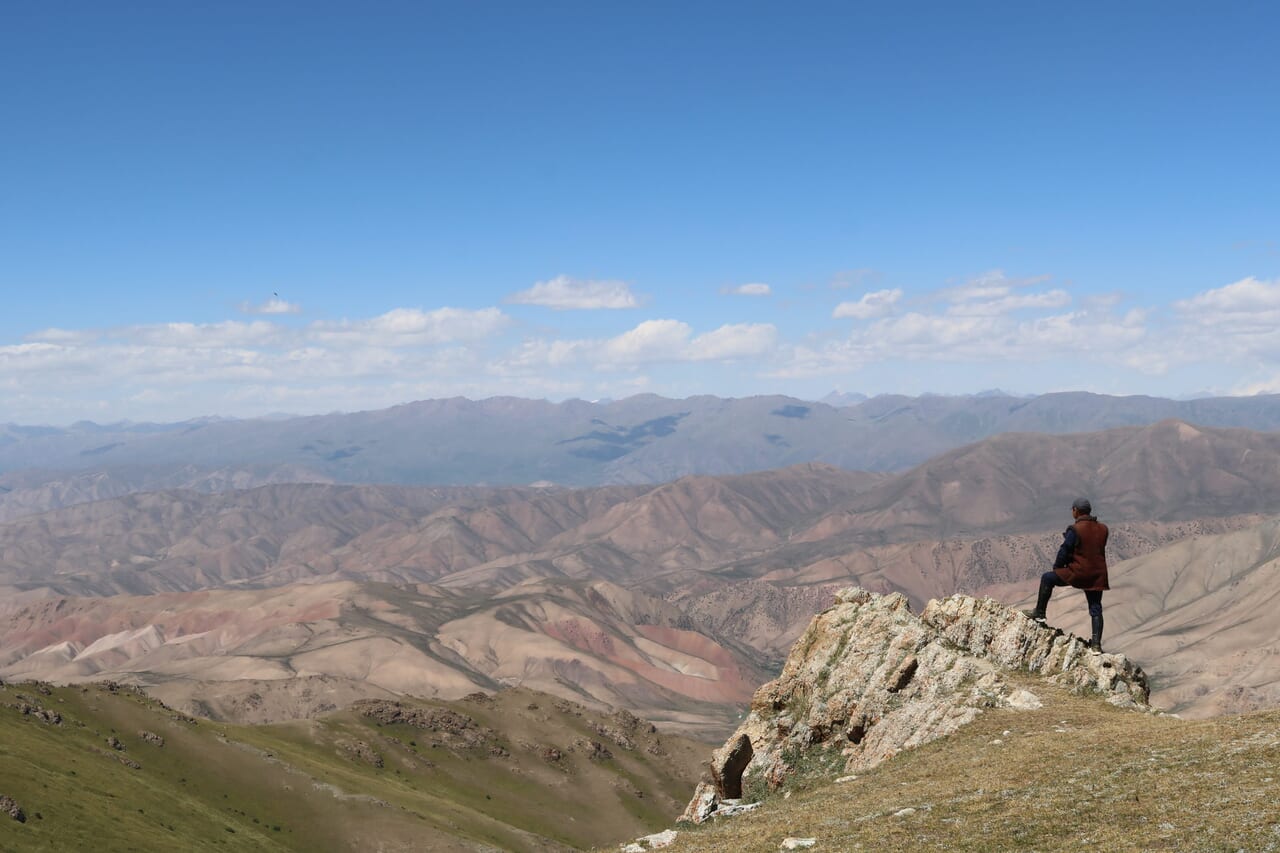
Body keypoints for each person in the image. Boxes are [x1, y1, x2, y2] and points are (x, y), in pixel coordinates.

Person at [1024, 497, 1109, 652]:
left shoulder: (1075, 530)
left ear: (1075, 510)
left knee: (1047, 578)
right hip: (1097, 575)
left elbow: (1065, 550)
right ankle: (1096, 645)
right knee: (1096, 608)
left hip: (1078, 572)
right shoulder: (1103, 529)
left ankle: (1039, 612)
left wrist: (1058, 567)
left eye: (1072, 509)